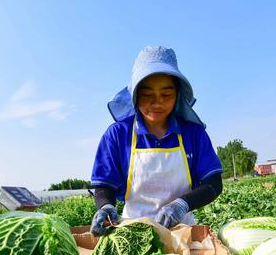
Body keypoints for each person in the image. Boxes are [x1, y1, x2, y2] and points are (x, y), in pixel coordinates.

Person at [90, 46, 223, 236]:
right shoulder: (118, 134)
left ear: (177, 94)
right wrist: (105, 206)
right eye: (147, 95)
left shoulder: (193, 133)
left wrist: (181, 204)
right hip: (133, 234)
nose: (157, 102)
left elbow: (213, 183)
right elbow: (105, 186)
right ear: (134, 95)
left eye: (166, 94)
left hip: (182, 232)